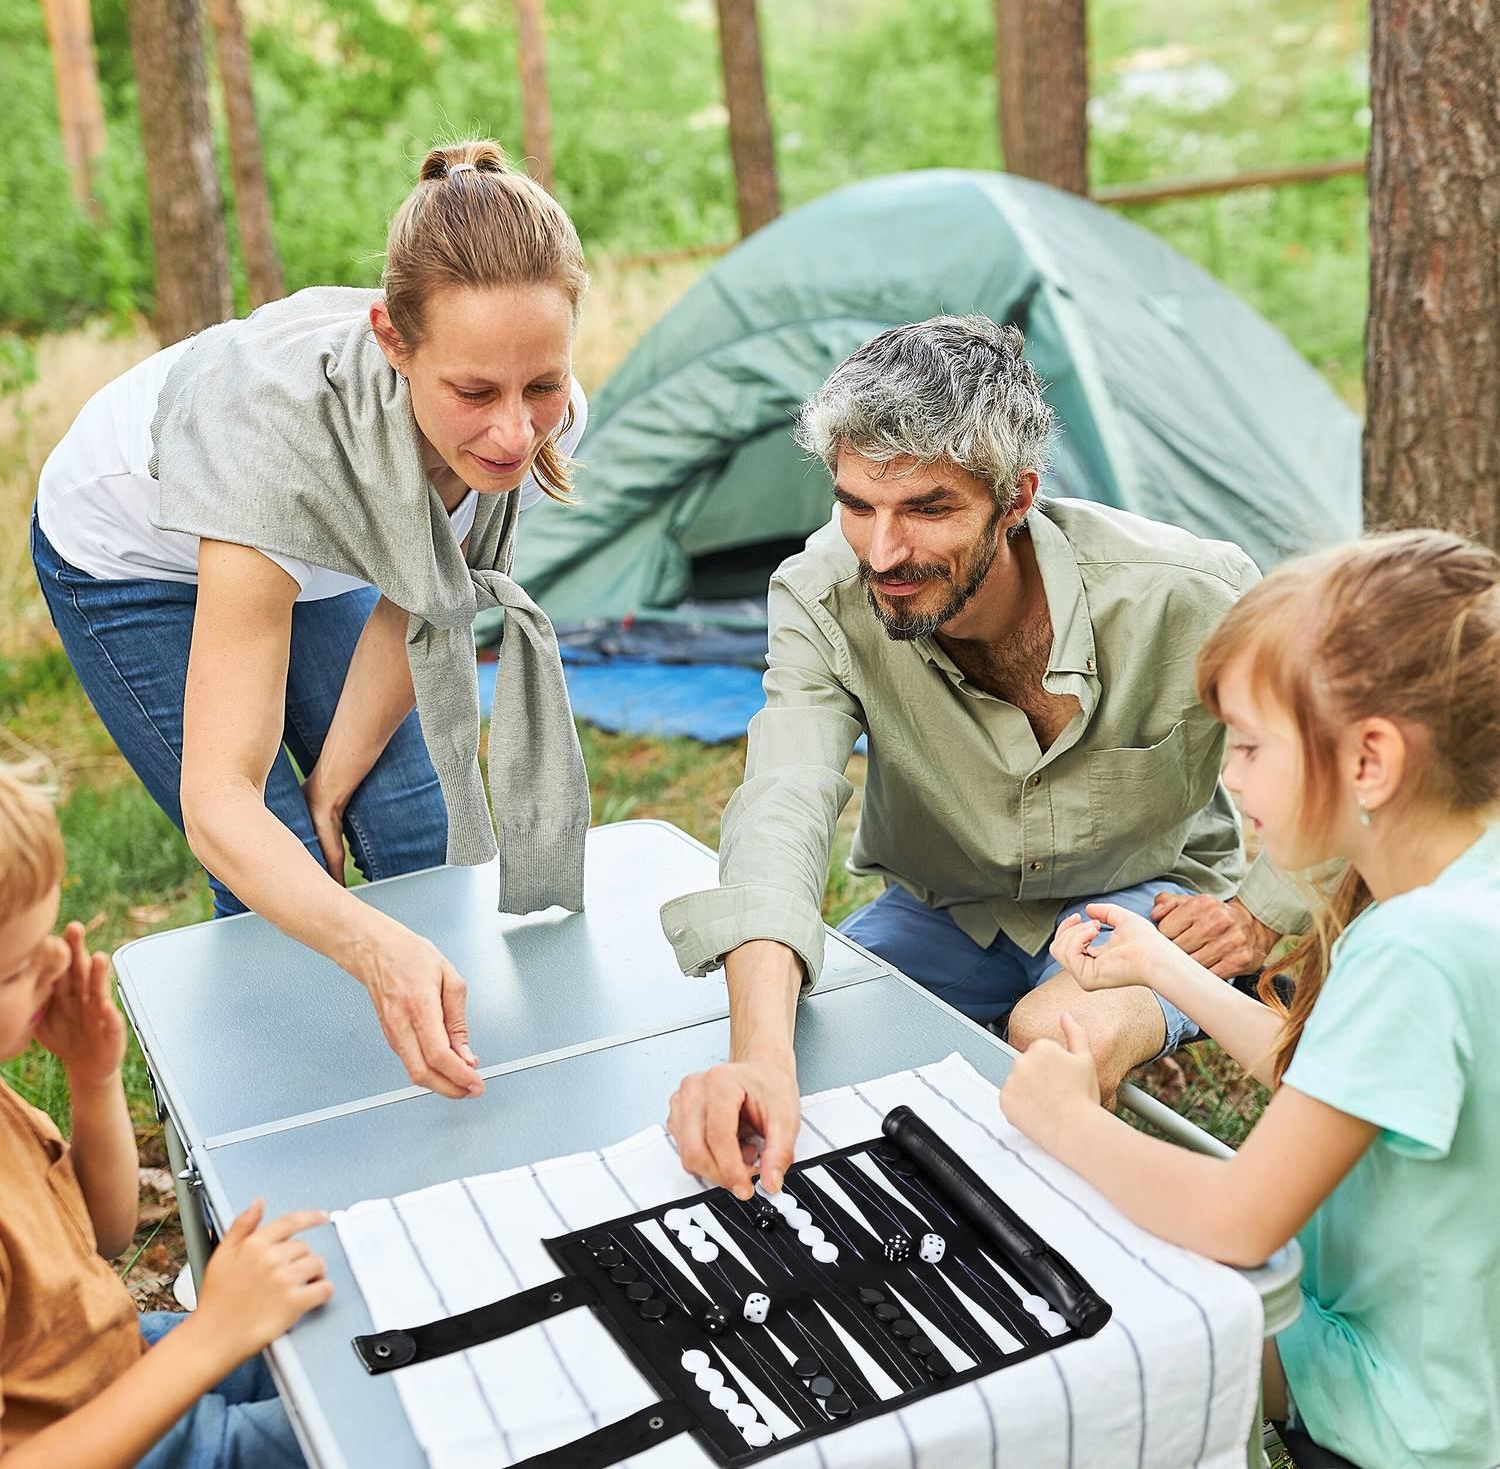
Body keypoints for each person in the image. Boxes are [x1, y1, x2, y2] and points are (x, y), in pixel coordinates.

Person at [662, 315, 1309, 1198]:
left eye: (928, 509)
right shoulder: (818, 597)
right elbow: (783, 803)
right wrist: (761, 1057)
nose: (884, 552)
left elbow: (1350, 745)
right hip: (945, 911)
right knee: (794, 1046)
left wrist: (1265, 911)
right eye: (858, 505)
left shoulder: (1191, 593)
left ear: (1016, 499)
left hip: (1146, 901)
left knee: (1050, 1040)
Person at [32, 139, 591, 1101]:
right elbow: (220, 804)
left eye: (538, 385)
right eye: (474, 393)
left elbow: (412, 601)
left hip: (318, 545)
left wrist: (332, 785)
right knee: (275, 866)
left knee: (412, 824)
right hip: (135, 557)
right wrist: (367, 943)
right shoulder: (271, 451)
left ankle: (462, 1092)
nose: (514, 432)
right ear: (392, 340)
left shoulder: (540, 422)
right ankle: (290, 1117)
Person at [1000, 530, 1500, 1469]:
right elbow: (1332, 1074)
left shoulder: (1413, 951)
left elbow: (1240, 1216)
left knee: (1079, 1329)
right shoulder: (1467, 894)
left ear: (1371, 762)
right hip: (1467, 1369)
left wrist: (1067, 1120)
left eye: (1251, 745)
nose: (1230, 778)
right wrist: (1161, 964)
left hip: (1403, 1409)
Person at [0, 766, 332, 1467]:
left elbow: (104, 1234)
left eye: (47, 939)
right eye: (14, 969)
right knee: (383, 1433)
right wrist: (213, 1334)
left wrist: (91, 1081)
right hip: (115, 1443)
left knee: (356, 1333)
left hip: (121, 1362)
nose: (57, 964)